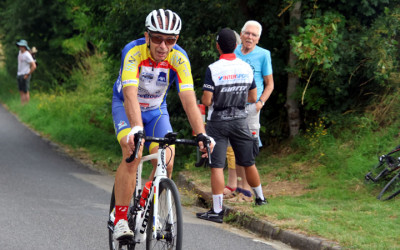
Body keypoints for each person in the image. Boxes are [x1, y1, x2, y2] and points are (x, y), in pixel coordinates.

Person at [111, 9, 214, 241]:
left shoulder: (179, 57)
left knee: (167, 157)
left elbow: (189, 101)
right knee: (133, 152)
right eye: (157, 38)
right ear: (147, 36)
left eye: (170, 40)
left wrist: (202, 134)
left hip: (157, 110)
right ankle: (119, 219)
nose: (163, 46)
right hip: (127, 107)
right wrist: (137, 128)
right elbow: (129, 94)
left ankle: (150, 195)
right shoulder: (132, 51)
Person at [196, 28, 267, 224]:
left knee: (217, 166)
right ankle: (261, 198)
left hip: (217, 123)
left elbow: (208, 100)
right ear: (236, 45)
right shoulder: (245, 67)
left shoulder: (213, 68)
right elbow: (253, 97)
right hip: (240, 120)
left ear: (218, 46)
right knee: (248, 161)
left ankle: (217, 211)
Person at [226, 20, 274, 202]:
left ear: (258, 38)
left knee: (248, 149)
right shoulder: (234, 52)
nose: (250, 37)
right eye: (247, 33)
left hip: (252, 107)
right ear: (241, 33)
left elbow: (270, 84)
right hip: (232, 106)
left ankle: (248, 191)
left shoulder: (263, 55)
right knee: (235, 149)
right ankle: (241, 189)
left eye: (254, 35)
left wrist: (261, 102)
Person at [16, 40, 36, 104]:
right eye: (19, 45)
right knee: (21, 91)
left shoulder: (27, 55)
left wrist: (27, 74)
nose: (20, 47)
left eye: (22, 46)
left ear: (25, 47)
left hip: (25, 74)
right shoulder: (20, 52)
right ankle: (22, 105)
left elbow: (34, 66)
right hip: (19, 74)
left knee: (26, 91)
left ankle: (26, 105)